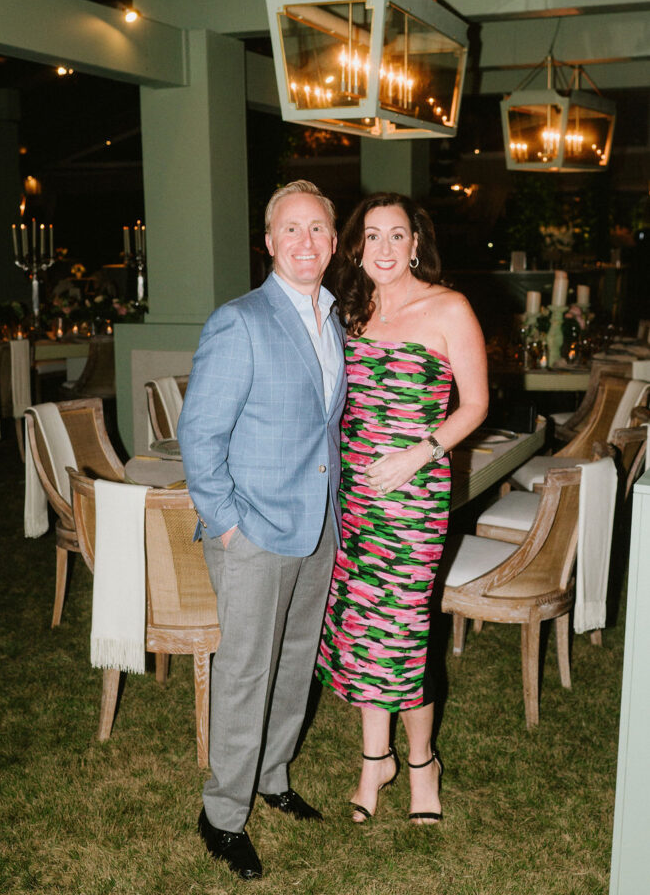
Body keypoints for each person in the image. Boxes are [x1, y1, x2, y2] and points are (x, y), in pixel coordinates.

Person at [178, 180, 347, 881]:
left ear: (334, 243)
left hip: (318, 525)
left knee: (296, 658)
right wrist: (225, 525)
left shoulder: (334, 319)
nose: (305, 242)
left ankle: (272, 775)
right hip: (252, 529)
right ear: (269, 241)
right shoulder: (239, 320)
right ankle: (222, 814)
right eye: (290, 230)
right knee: (246, 671)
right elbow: (199, 432)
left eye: (318, 230)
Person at [315, 191, 488, 825]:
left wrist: (417, 454)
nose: (384, 248)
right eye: (372, 236)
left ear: (417, 244)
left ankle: (420, 766)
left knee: (404, 633)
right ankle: (373, 760)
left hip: (414, 499)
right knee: (362, 629)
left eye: (397, 236)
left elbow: (474, 406)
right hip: (355, 497)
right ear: (355, 246)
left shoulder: (449, 308)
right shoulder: (347, 312)